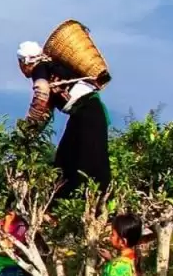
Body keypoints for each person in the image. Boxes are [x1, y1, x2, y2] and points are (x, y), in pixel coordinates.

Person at [17, 41, 111, 201]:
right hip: (87, 113)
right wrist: (29, 136)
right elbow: (47, 111)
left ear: (25, 62)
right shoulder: (51, 67)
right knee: (66, 158)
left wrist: (27, 125)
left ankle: (92, 205)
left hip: (87, 113)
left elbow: (41, 94)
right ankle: (68, 202)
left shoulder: (40, 68)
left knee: (83, 162)